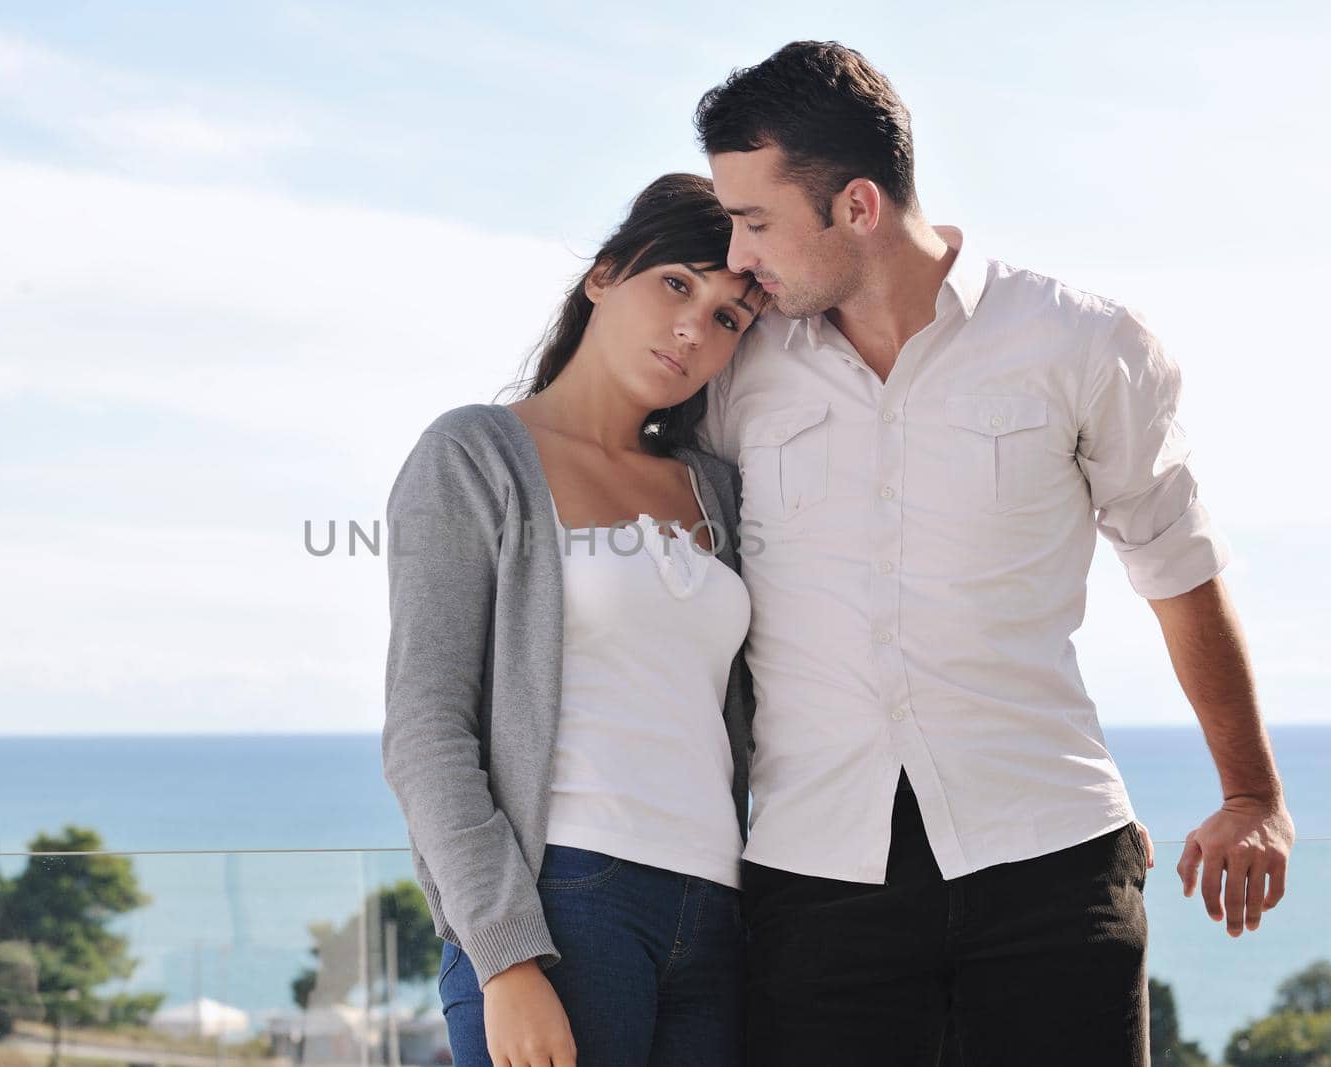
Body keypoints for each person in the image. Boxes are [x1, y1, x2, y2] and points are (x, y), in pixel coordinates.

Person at [692, 41, 1296, 1066]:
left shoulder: (1084, 344)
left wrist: (1252, 795)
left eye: (755, 222)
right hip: (813, 884)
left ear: (856, 206)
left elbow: (1180, 571)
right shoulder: (736, 369)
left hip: (1050, 865)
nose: (739, 256)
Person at [383, 173, 767, 1067]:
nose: (692, 328)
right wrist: (505, 953)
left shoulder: (717, 486)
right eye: (677, 283)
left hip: (718, 918)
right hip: (565, 905)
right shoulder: (474, 454)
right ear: (602, 277)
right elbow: (426, 727)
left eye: (726, 317)